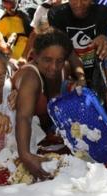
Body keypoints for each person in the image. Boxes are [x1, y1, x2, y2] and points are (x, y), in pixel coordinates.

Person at [14, 29, 73, 179]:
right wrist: (26, 156)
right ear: (35, 56)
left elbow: (74, 58)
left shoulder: (63, 69)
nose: (54, 67)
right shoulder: (31, 77)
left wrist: (81, 77)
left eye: (59, 60)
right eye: (47, 60)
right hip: (21, 141)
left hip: (47, 139)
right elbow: (24, 118)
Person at [48, 0, 107, 87]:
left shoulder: (104, 13)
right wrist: (81, 77)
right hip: (70, 77)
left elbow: (105, 43)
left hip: (98, 77)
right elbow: (66, 49)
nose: (79, 4)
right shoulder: (56, 14)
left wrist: (103, 38)